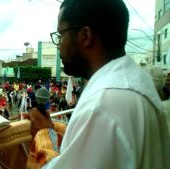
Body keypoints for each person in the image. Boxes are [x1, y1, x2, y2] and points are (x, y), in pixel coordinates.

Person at [23, 0, 170, 168]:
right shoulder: (132, 81)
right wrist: (54, 127)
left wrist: (44, 134)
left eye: (61, 34)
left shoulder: (104, 103)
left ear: (85, 36)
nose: (58, 46)